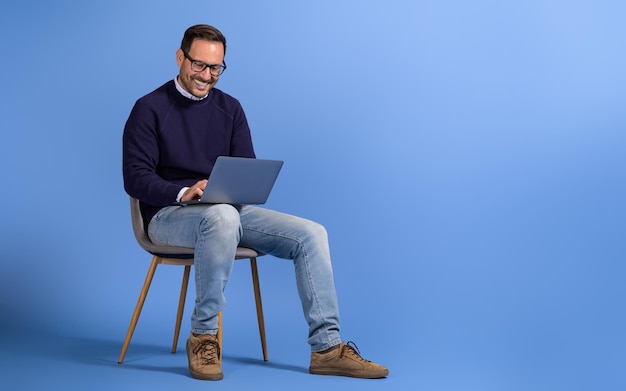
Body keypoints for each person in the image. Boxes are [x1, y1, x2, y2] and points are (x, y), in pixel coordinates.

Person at [122, 24, 388, 381]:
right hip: (169, 215)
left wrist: (237, 190)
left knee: (311, 233)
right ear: (180, 58)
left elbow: (244, 168)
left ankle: (327, 349)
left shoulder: (230, 109)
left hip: (228, 211)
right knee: (221, 218)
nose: (206, 76)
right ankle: (203, 336)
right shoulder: (149, 108)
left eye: (215, 68)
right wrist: (183, 192)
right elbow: (135, 178)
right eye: (198, 65)